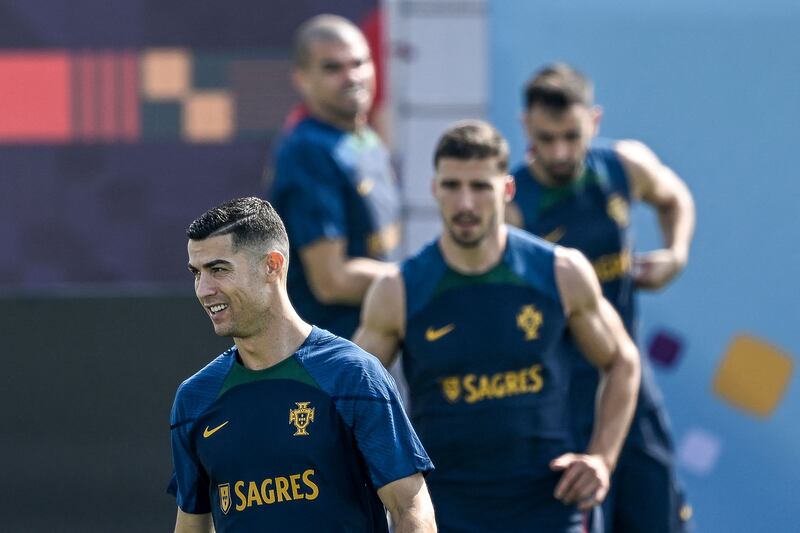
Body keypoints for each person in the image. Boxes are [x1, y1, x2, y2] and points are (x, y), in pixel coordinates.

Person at [353, 121, 640, 532]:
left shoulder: (560, 272)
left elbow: (622, 361)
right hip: (446, 508)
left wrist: (602, 458)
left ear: (506, 190)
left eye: (480, 187)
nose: (465, 203)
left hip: (550, 504)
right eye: (452, 185)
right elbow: (350, 394)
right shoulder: (399, 290)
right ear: (435, 189)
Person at [168, 197, 436, 532]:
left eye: (219, 270)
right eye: (197, 272)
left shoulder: (353, 376)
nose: (204, 289)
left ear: (272, 265)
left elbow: (411, 509)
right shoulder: (195, 398)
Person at [508, 63, 696, 533]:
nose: (559, 151)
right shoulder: (512, 206)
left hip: (632, 383)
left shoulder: (623, 166)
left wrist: (675, 254)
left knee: (659, 516)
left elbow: (675, 197)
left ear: (594, 120)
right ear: (525, 125)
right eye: (546, 138)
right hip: (559, 398)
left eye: (571, 136)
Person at [268, 14, 401, 339]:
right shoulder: (307, 150)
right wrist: (420, 281)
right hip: (324, 361)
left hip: (373, 347)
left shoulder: (368, 139)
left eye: (359, 62)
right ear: (302, 79)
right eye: (332, 67)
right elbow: (332, 281)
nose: (351, 76)